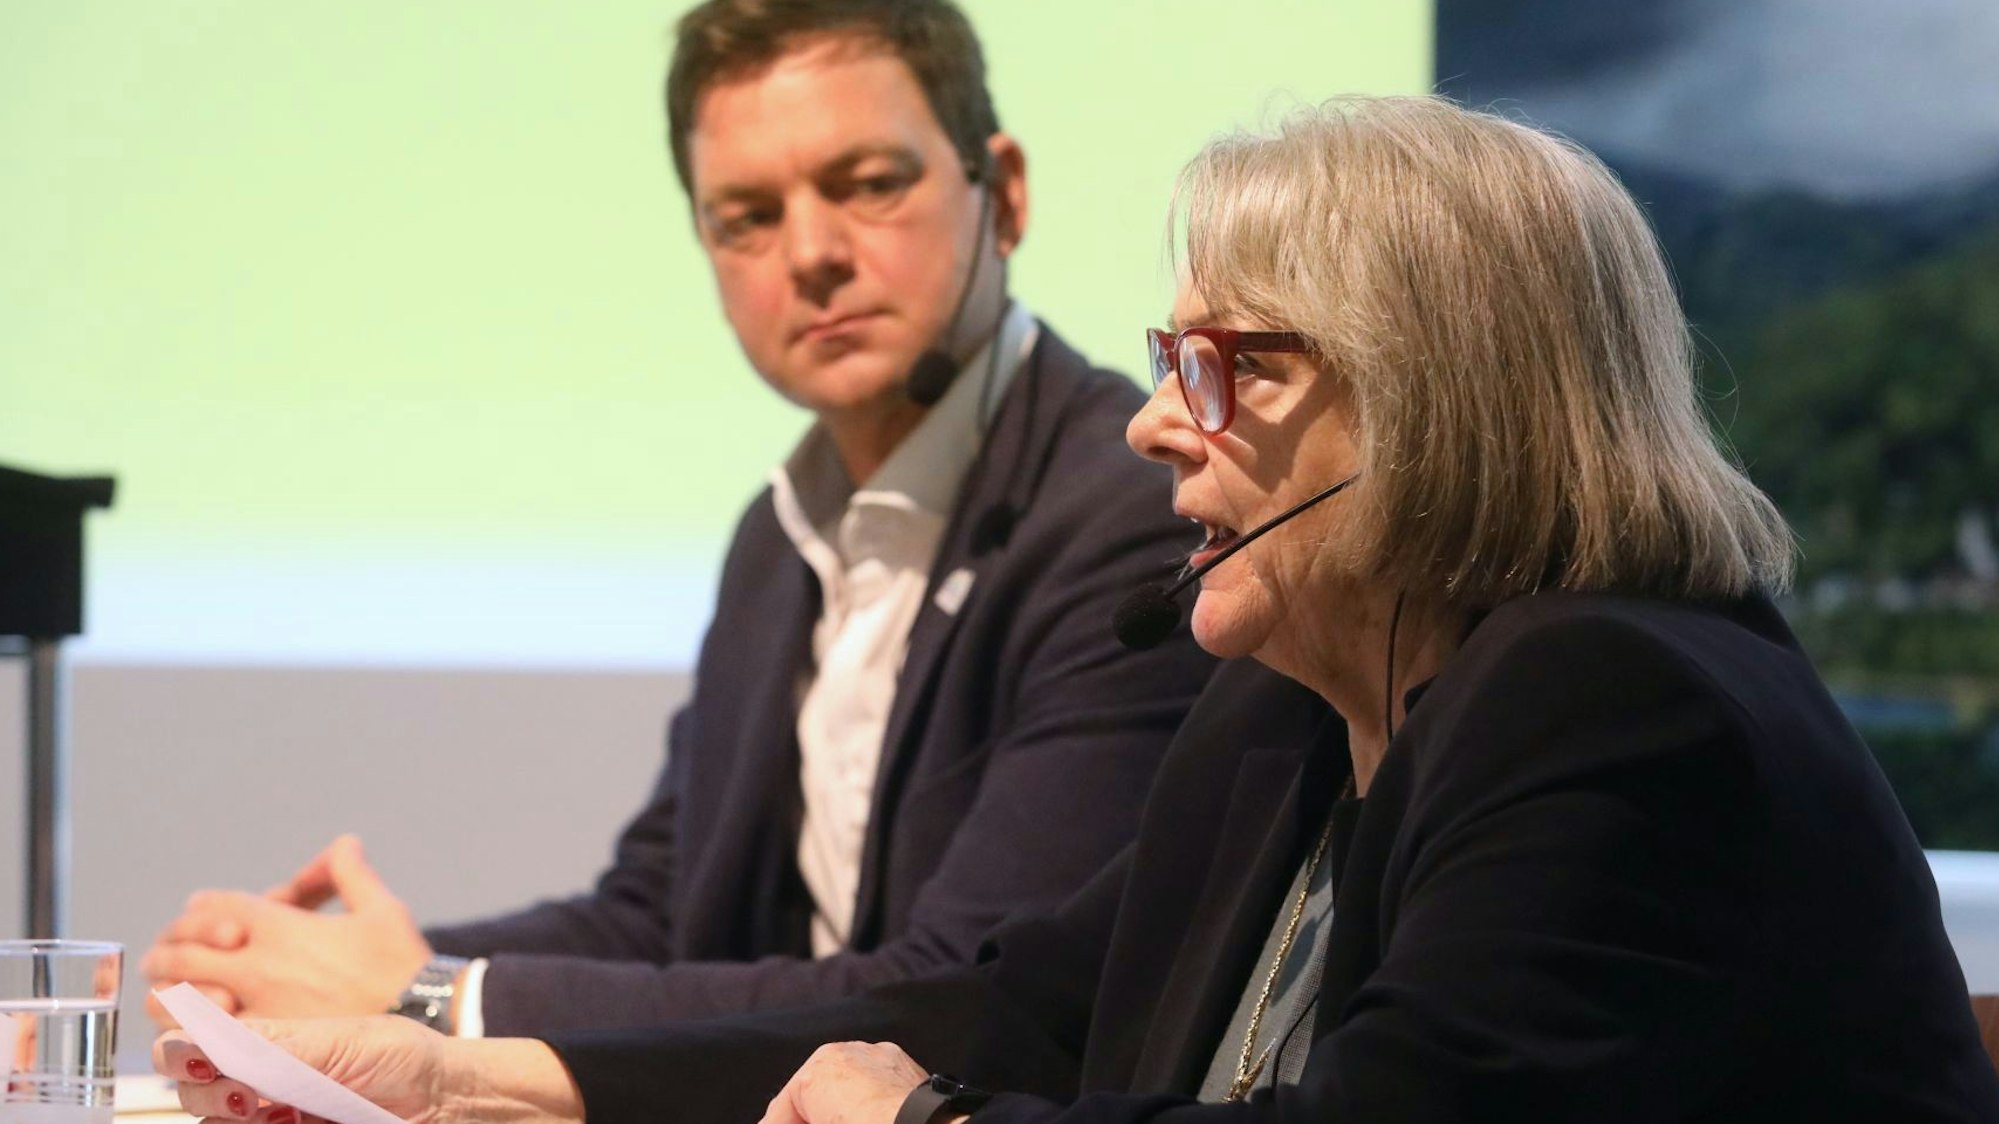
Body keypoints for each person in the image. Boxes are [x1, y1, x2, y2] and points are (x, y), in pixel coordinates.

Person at [156, 95, 1999, 1122]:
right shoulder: (1292, 702)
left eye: (1225, 365)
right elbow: (1022, 1007)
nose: (1147, 419)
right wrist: (465, 1073)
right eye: (1158, 358)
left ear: (1435, 391)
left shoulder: (1614, 705)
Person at [141, 0, 1213, 1039]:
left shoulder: (1128, 511)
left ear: (1005, 191)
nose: (810, 253)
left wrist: (429, 997)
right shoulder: (776, 536)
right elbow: (662, 912)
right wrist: (315, 968)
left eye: (870, 184)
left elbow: (966, 993)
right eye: (746, 217)